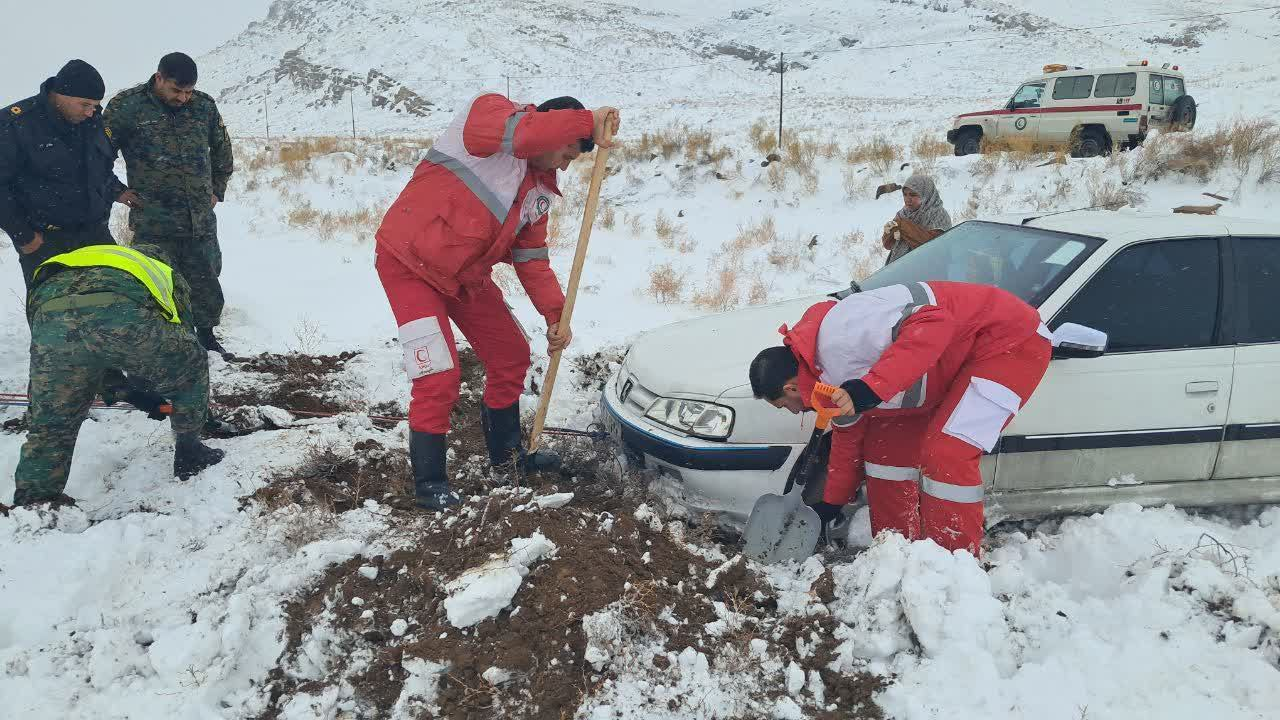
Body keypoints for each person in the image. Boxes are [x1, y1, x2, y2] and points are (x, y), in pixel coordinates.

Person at [375, 92, 619, 510]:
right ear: (555, 130)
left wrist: (556, 314)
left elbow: (532, 259)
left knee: (511, 354)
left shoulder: (539, 192)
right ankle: (430, 483)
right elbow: (524, 133)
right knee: (437, 375)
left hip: (465, 277)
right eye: (566, 154)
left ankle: (507, 461)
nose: (564, 166)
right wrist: (587, 121)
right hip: (408, 265)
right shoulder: (487, 118)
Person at [749, 281, 1052, 556]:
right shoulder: (823, 386)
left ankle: (952, 565)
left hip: (1005, 339)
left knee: (946, 455)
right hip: (945, 363)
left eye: (784, 405)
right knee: (884, 455)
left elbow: (933, 321)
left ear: (790, 387)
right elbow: (848, 439)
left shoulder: (842, 333)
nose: (793, 411)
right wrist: (831, 503)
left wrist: (871, 387)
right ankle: (895, 554)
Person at [12, 243, 224, 508]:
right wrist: (187, 404)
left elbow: (80, 342)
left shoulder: (79, 260)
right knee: (193, 363)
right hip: (122, 314)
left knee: (53, 419)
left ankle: (35, 500)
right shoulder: (161, 270)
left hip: (52, 320)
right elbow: (181, 336)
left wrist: (128, 393)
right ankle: (190, 452)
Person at [105, 52, 234, 355]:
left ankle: (206, 336)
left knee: (206, 281)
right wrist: (118, 191)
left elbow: (222, 150)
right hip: (154, 221)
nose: (183, 98)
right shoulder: (126, 107)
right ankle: (165, 344)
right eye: (176, 90)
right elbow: (98, 156)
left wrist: (216, 189)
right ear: (159, 77)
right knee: (155, 286)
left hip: (198, 220)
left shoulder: (204, 106)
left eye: (188, 91)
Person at [0, 60, 142, 289]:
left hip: (96, 233)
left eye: (95, 105)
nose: (90, 112)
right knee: (56, 315)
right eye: (84, 104)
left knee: (114, 304)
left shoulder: (92, 120)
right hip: (46, 241)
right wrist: (23, 236)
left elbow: (97, 168)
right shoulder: (15, 125)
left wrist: (117, 190)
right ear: (60, 94)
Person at [881, 174, 951, 265]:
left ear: (926, 194)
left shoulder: (938, 215)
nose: (907, 199)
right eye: (905, 195)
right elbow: (890, 245)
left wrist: (903, 226)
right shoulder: (903, 214)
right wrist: (888, 233)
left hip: (929, 272)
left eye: (913, 195)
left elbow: (933, 247)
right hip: (900, 269)